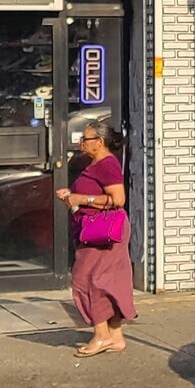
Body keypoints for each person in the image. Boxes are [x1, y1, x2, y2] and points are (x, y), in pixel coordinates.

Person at [58, 118, 135, 356]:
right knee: (107, 283)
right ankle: (116, 337)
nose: (81, 142)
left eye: (85, 138)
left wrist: (81, 199)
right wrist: (73, 195)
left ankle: (101, 336)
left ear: (99, 142)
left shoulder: (107, 164)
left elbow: (118, 199)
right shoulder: (96, 163)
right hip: (94, 231)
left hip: (104, 233)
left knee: (86, 281)